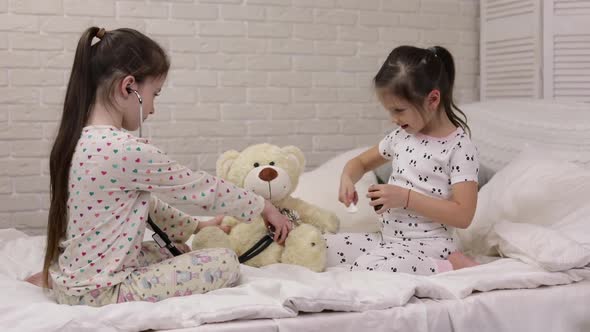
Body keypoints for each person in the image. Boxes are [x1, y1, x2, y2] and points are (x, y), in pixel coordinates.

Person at [27, 27, 292, 306]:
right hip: (103, 292)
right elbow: (199, 188)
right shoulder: (126, 150)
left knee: (173, 249)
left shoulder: (78, 141)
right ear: (128, 87)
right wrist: (263, 206)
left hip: (79, 280)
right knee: (225, 261)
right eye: (155, 94)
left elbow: (145, 204)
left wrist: (195, 228)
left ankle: (60, 281)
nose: (152, 108)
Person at [325, 45, 479, 275]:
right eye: (390, 111)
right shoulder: (401, 137)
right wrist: (347, 178)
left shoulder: (459, 147)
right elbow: (360, 163)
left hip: (429, 247)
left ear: (433, 99)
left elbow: (463, 215)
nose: (394, 119)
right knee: (319, 246)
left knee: (367, 268)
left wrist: (405, 198)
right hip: (388, 240)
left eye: (399, 110)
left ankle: (448, 264)